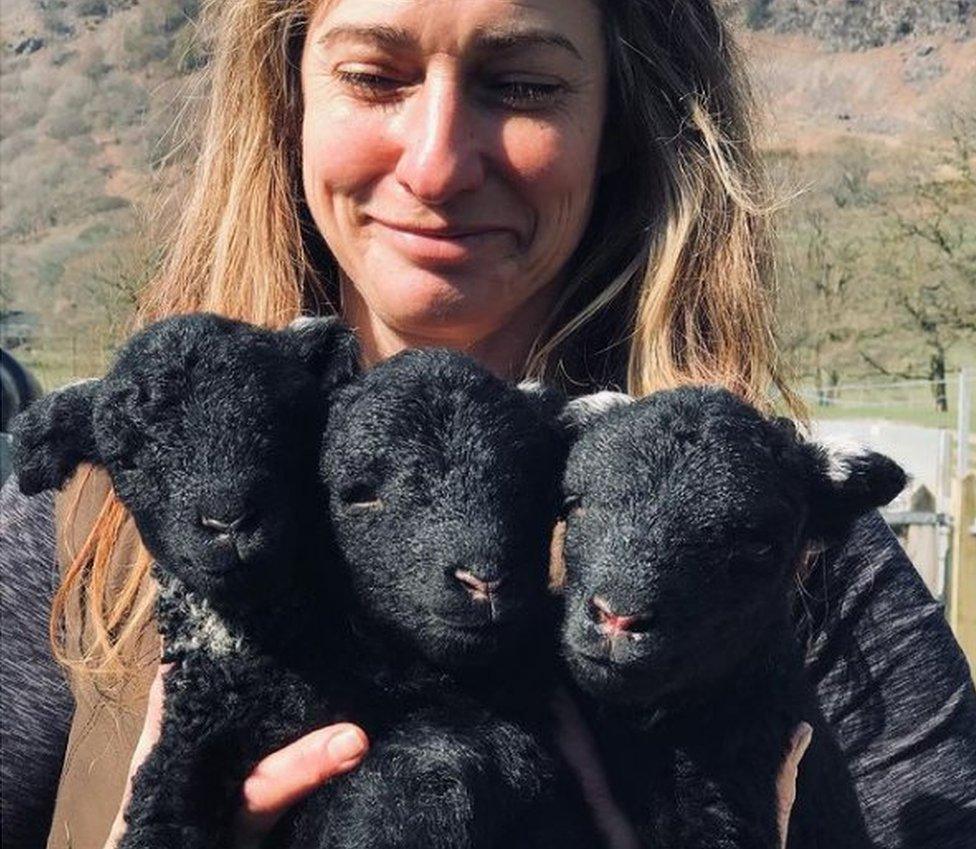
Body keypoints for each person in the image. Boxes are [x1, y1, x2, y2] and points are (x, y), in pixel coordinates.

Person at [1, 0, 974, 847]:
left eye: (521, 84)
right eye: (374, 75)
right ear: (288, 97)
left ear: (623, 119)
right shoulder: (88, 514)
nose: (435, 164)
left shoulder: (778, 538)